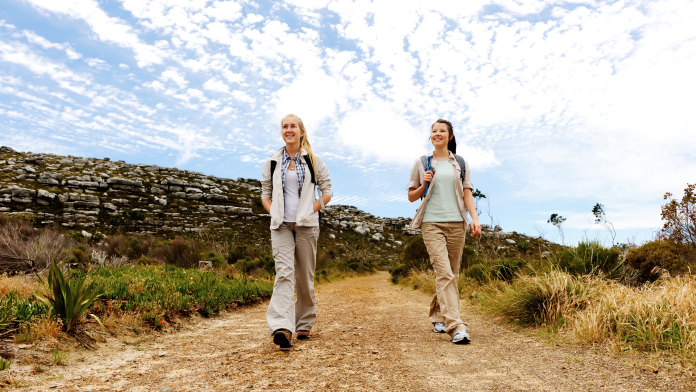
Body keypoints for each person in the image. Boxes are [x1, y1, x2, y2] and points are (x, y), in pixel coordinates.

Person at [407, 119, 482, 344]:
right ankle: (456, 326)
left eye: (442, 131)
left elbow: (467, 193)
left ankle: (438, 315)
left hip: (457, 223)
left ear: (450, 137)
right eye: (433, 131)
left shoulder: (459, 162)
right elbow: (411, 196)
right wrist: (423, 184)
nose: (437, 134)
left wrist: (474, 219)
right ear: (431, 136)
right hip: (432, 223)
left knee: (452, 274)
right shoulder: (422, 163)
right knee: (444, 273)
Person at [261, 114, 332, 348]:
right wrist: (275, 213)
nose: (288, 129)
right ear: (282, 132)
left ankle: (303, 324)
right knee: (283, 274)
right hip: (280, 226)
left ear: (301, 131)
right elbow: (265, 195)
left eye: (293, 126)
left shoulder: (314, 159)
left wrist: (311, 210)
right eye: (285, 126)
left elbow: (327, 191)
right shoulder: (272, 162)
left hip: (307, 226)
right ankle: (282, 327)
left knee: (304, 276)